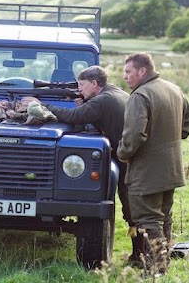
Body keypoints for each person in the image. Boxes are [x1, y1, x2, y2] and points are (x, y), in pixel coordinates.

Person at [117, 52, 189, 274]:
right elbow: (187, 121)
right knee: (164, 219)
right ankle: (161, 268)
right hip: (171, 170)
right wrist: (169, 141)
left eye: (128, 72)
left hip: (147, 172)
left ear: (142, 71)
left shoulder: (140, 96)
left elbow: (133, 136)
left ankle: (156, 271)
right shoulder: (173, 88)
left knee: (149, 221)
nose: (125, 77)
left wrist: (122, 153)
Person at [45, 65, 134, 251]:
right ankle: (141, 252)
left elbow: (73, 116)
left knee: (132, 207)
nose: (79, 89)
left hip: (128, 158)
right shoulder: (114, 92)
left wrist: (44, 106)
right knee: (133, 206)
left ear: (94, 83)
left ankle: (142, 255)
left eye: (82, 85)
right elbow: (98, 116)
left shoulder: (102, 100)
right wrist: (85, 104)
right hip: (131, 154)